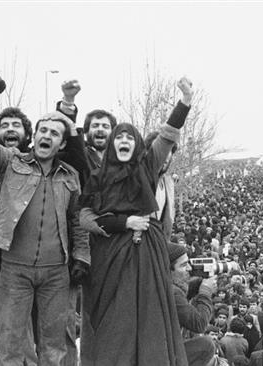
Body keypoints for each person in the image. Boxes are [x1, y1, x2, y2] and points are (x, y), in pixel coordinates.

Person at [0, 75, 90, 365]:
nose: (46, 136)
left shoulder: (70, 177)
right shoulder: (12, 162)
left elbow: (78, 220)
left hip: (56, 273)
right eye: (42, 130)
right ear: (34, 136)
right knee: (10, 344)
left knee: (54, 347)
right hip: (14, 270)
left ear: (61, 144)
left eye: (54, 133)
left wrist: (82, 255)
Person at [78, 77, 193, 366]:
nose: (124, 141)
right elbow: (85, 217)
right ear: (113, 145)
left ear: (137, 144)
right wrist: (124, 222)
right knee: (112, 320)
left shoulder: (148, 166)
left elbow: (168, 135)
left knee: (147, 318)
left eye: (130, 137)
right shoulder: (97, 176)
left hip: (145, 254)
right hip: (108, 256)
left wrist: (185, 101)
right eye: (119, 137)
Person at [168, 243, 219, 366]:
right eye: (184, 265)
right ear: (168, 269)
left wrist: (198, 284)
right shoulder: (172, 292)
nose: (190, 269)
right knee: (207, 345)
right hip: (165, 355)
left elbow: (181, 298)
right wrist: (205, 292)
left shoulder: (164, 285)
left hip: (162, 348)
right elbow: (199, 323)